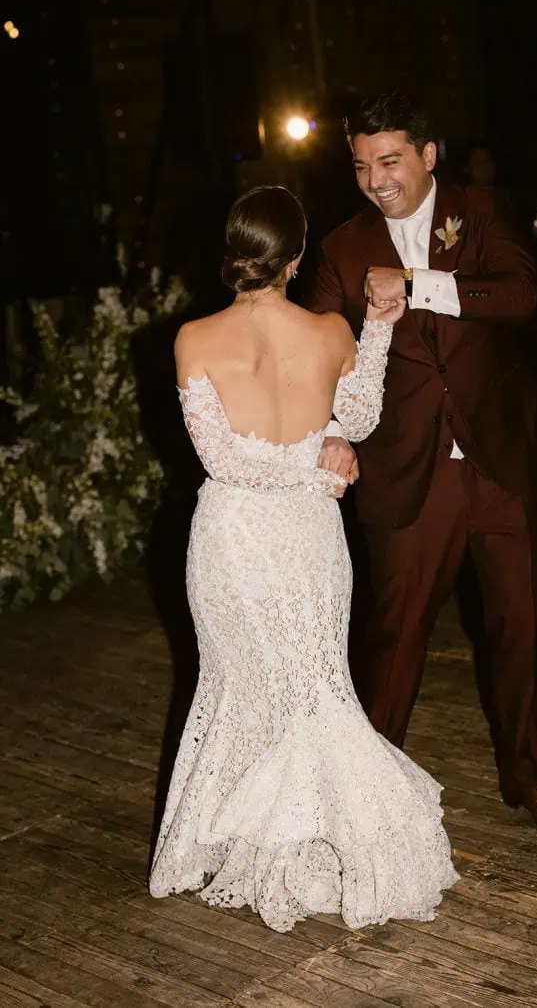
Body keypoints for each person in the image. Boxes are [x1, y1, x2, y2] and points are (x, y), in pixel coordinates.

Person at [148, 186, 458, 933]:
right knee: (311, 688)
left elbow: (222, 461)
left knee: (247, 685)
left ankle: (265, 844)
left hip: (234, 541)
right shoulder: (328, 331)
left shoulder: (193, 337)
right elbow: (356, 417)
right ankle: (283, 841)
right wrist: (373, 339)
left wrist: (319, 458)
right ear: (296, 256)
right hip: (311, 535)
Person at [309, 92, 537, 827]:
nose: (376, 180)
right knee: (395, 638)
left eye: (390, 160)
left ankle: (525, 773)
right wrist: (332, 428)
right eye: (362, 166)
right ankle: (362, 795)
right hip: (406, 470)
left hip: (497, 459)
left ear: (429, 156)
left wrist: (420, 287)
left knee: (521, 621)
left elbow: (524, 293)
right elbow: (320, 357)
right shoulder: (341, 247)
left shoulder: (483, 210)